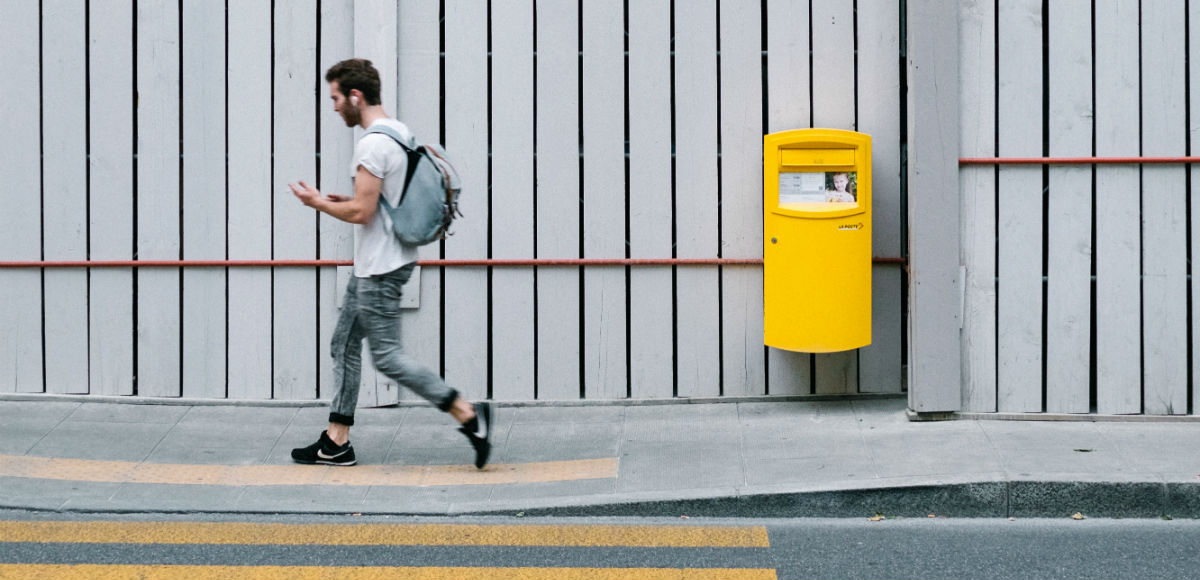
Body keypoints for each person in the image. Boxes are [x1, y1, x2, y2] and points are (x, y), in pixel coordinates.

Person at [287, 58, 493, 469]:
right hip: (375, 264)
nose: (334, 107)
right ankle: (336, 440)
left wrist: (317, 205)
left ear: (355, 96)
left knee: (387, 357)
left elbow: (363, 214)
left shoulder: (371, 145)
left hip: (380, 268)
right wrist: (336, 199)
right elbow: (381, 200)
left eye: (336, 98)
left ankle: (469, 415)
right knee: (343, 343)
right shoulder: (398, 132)